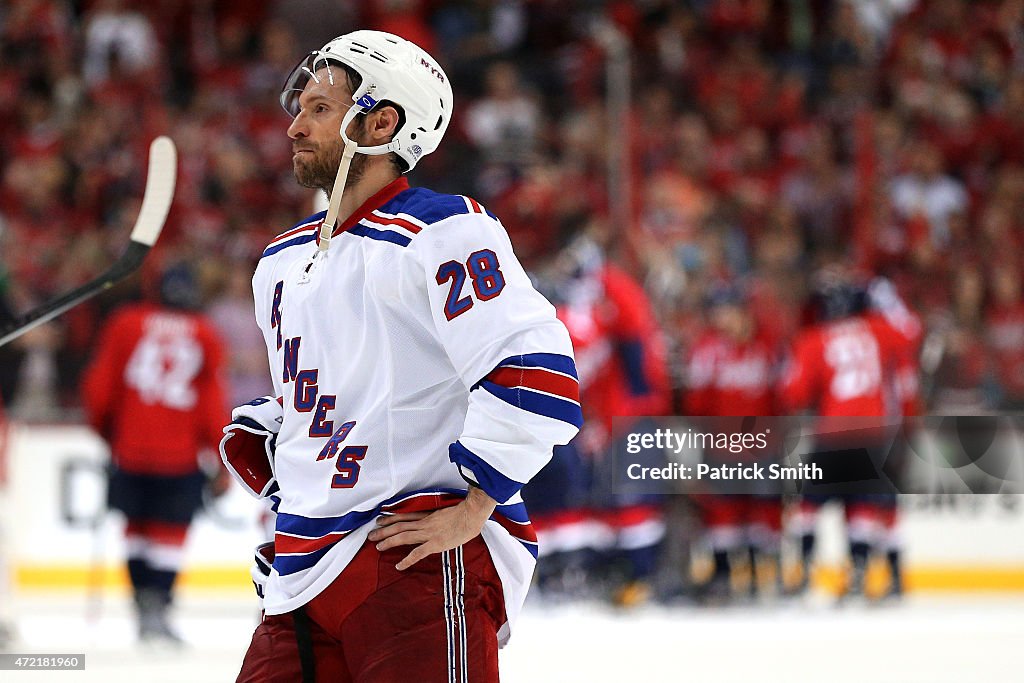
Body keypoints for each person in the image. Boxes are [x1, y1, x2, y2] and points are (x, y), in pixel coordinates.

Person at [220, 31, 580, 682]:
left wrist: (478, 504)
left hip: (408, 559)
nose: (295, 125)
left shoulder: (441, 230)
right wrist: (289, 469)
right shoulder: (278, 262)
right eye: (298, 108)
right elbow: (345, 398)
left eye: (320, 110)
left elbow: (535, 373)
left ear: (382, 122)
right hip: (301, 575)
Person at [81, 262, 229, 644]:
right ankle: (158, 607)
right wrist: (221, 455)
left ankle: (143, 608)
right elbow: (211, 401)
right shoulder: (205, 333)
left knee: (135, 531)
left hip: (130, 449)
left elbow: (100, 386)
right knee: (171, 534)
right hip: (179, 455)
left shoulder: (125, 322)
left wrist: (105, 431)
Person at [780, 267, 918, 600]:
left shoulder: (813, 340)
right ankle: (861, 574)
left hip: (834, 432)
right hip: (876, 432)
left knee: (808, 507)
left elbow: (792, 393)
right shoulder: (879, 330)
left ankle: (802, 572)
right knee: (866, 507)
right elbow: (912, 332)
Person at [684, 283, 783, 602]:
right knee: (722, 516)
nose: (722, 318)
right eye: (717, 312)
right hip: (721, 449)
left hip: (763, 448)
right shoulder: (706, 349)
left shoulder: (767, 345)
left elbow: (781, 398)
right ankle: (724, 575)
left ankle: (761, 575)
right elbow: (696, 405)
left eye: (727, 310)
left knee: (762, 516)